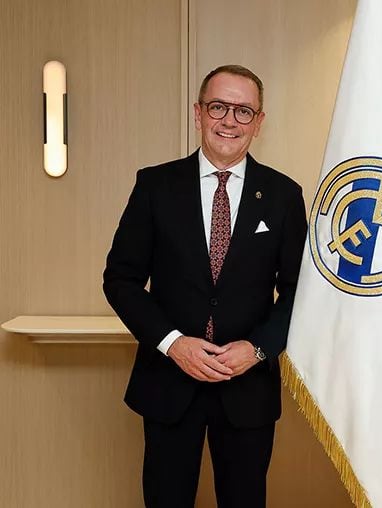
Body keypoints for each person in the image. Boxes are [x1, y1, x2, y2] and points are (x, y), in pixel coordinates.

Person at [103, 64, 307, 508]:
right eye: (219, 107)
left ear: (259, 122)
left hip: (246, 389)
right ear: (198, 113)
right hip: (169, 384)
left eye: (243, 111)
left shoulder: (283, 195)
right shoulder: (155, 186)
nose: (229, 121)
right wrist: (173, 344)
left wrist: (256, 349)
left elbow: (299, 293)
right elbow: (120, 279)